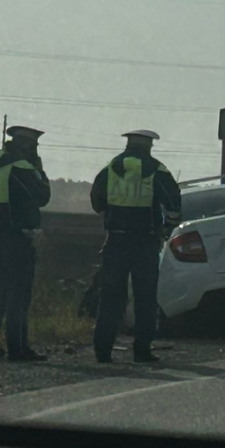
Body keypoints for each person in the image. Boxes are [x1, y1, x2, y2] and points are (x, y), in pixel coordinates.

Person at [90, 130, 182, 363]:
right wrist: (167, 227)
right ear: (149, 146)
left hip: (116, 240)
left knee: (110, 296)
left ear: (128, 145)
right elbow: (174, 203)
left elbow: (96, 200)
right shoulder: (157, 170)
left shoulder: (111, 168)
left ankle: (103, 350)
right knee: (145, 297)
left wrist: (112, 216)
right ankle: (142, 350)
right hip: (145, 242)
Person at [0, 126, 51, 362]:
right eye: (34, 146)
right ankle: (18, 348)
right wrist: (40, 171)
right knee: (19, 293)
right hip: (19, 238)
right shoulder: (23, 168)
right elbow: (43, 196)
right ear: (28, 146)